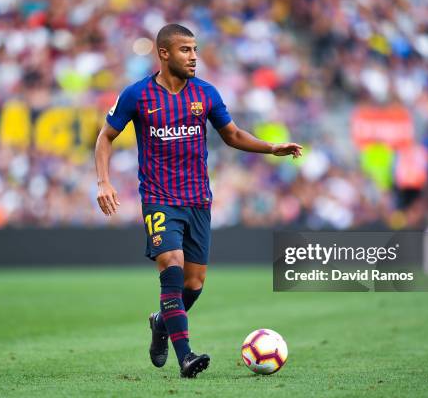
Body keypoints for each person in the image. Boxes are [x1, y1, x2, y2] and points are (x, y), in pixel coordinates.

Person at [94, 23, 302, 378]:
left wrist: (270, 147)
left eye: (195, 50)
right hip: (159, 200)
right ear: (164, 53)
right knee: (171, 264)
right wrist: (103, 181)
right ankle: (186, 356)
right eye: (185, 50)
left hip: (198, 201)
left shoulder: (205, 94)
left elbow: (233, 134)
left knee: (194, 284)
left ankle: (162, 321)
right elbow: (105, 137)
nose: (193, 57)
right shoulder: (137, 95)